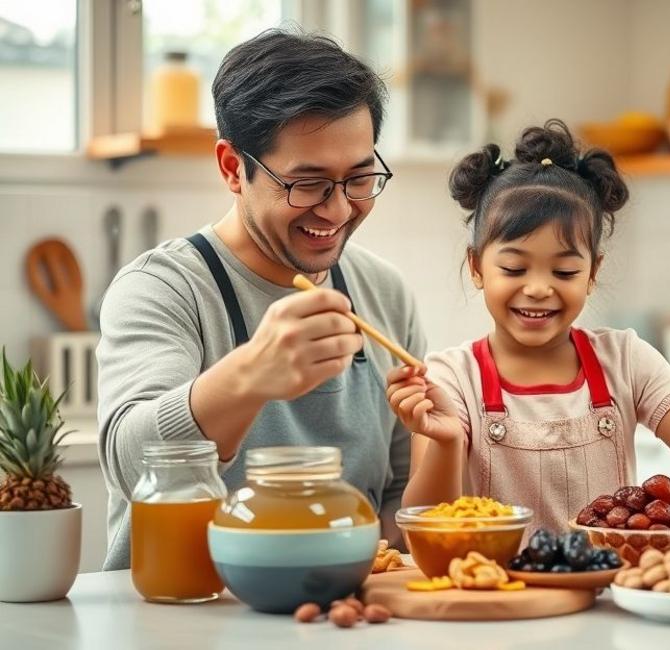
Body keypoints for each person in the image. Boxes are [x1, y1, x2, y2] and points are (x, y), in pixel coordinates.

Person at [96, 29, 425, 570]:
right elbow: (133, 464)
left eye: (360, 178)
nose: (338, 211)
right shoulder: (161, 289)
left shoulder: (382, 291)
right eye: (307, 183)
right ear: (232, 167)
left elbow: (397, 500)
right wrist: (250, 375)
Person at [386, 119, 670, 534]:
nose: (539, 288)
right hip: (502, 594)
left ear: (592, 273)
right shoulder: (451, 378)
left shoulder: (627, 361)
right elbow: (424, 525)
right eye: (514, 267)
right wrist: (447, 441)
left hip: (608, 594)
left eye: (564, 272)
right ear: (476, 267)